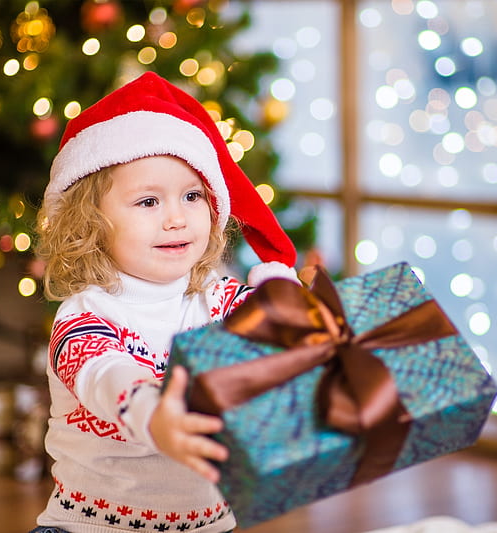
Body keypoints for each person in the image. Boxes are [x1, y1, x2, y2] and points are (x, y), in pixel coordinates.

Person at [29, 71, 298, 533]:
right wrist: (153, 415)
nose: (177, 218)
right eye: (149, 202)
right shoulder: (84, 316)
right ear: (90, 223)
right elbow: (105, 375)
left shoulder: (219, 299)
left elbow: (284, 334)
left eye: (192, 195)